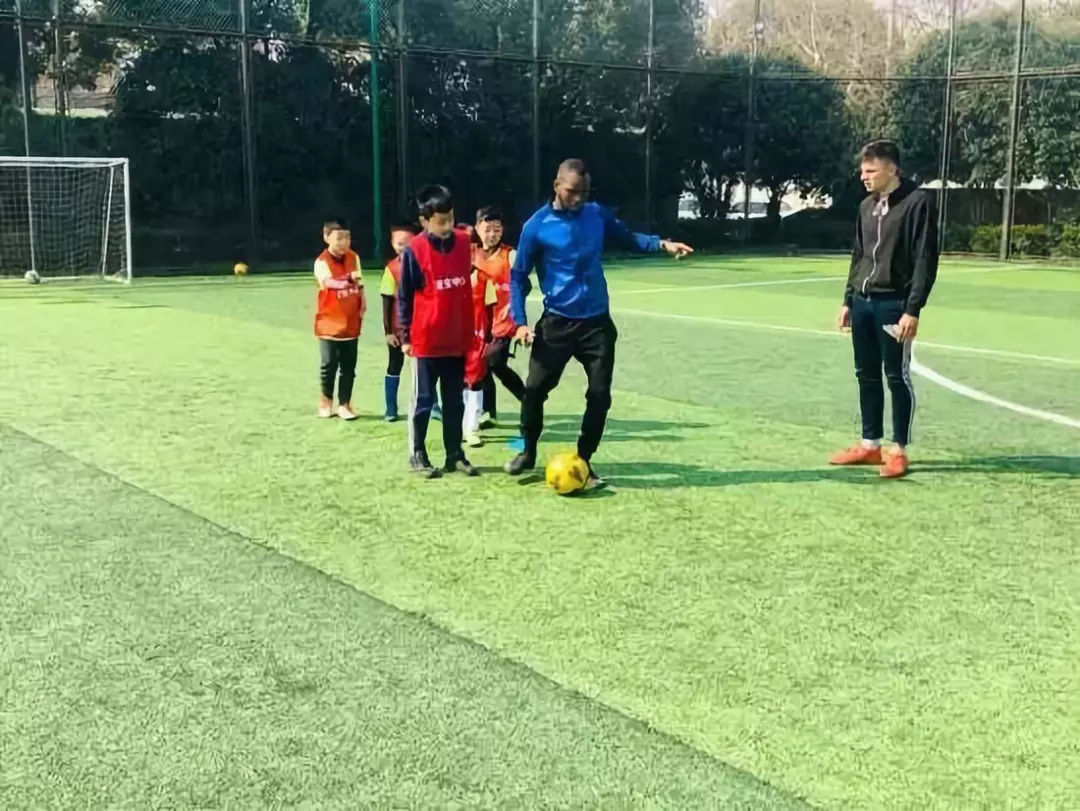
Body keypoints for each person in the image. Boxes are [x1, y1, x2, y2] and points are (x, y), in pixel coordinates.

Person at [504, 159, 693, 486]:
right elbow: (519, 277)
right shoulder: (536, 226)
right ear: (557, 186)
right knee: (533, 390)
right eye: (572, 191)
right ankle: (528, 450)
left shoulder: (596, 214)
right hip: (557, 323)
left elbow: (628, 237)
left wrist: (662, 243)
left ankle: (584, 459)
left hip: (596, 325)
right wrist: (520, 322)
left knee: (600, 394)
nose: (579, 198)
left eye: (585, 192)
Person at [831, 139, 939, 479]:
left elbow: (925, 260)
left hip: (894, 305)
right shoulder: (866, 205)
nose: (864, 177)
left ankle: (899, 450)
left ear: (891, 169)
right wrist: (848, 300)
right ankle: (870, 445)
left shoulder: (917, 202)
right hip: (863, 303)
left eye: (871, 171)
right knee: (865, 373)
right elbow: (859, 255)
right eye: (862, 171)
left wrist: (913, 309)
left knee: (896, 375)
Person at [397, 185, 479, 478]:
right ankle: (417, 454)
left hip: (456, 339)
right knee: (423, 401)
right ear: (424, 221)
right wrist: (404, 336)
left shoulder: (464, 243)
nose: (447, 226)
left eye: (451, 219)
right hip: (426, 342)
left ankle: (455, 454)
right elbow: (404, 296)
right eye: (440, 221)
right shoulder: (415, 251)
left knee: (455, 401)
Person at [467, 206, 527, 447]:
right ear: (477, 228)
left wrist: (517, 312)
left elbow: (522, 283)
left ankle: (528, 401)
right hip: (480, 321)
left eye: (497, 229)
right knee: (481, 364)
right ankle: (488, 412)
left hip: (504, 320)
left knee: (493, 361)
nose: (492, 234)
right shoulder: (471, 253)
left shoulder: (510, 255)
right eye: (488, 229)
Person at [313, 218, 365, 421]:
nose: (344, 242)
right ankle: (326, 401)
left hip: (351, 322)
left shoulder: (354, 257)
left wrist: (363, 301)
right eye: (339, 238)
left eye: (347, 238)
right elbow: (329, 283)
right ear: (327, 237)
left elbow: (359, 283)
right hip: (329, 323)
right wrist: (347, 280)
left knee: (348, 367)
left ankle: (345, 404)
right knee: (329, 365)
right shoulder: (321, 262)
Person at [379, 221, 416, 422]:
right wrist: (388, 332)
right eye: (399, 243)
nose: (404, 247)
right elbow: (386, 301)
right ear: (393, 244)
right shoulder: (391, 269)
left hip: (421, 328)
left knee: (427, 369)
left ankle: (433, 405)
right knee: (394, 365)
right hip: (398, 329)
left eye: (408, 242)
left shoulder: (425, 265)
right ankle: (391, 408)